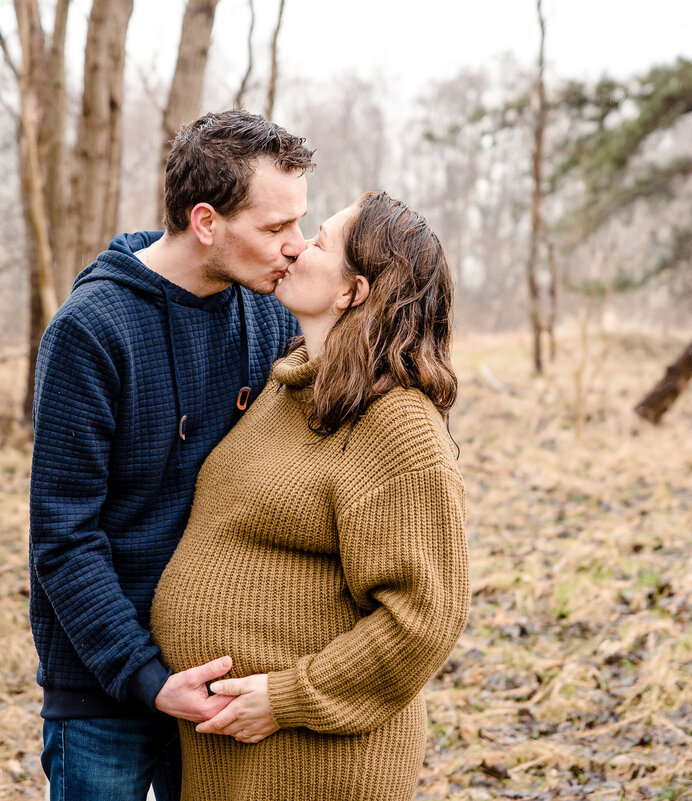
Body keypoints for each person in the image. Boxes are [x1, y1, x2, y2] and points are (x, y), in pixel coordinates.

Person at [29, 109, 313, 801]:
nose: (297, 247)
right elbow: (64, 538)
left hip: (223, 680)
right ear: (207, 220)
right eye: (276, 228)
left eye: (300, 224)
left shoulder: (271, 314)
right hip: (106, 686)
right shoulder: (92, 331)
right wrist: (150, 680)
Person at [151, 191, 471, 800]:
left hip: (315, 759)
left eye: (320, 242)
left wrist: (288, 698)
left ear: (354, 291)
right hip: (232, 750)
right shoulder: (290, 388)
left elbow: (426, 618)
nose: (296, 246)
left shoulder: (395, 426)